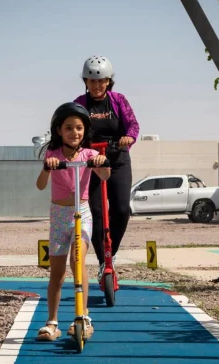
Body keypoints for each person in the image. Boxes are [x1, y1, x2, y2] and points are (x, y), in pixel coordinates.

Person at [35, 102, 110, 341]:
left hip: (82, 214)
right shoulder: (53, 155)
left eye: (79, 128)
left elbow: (106, 175)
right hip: (59, 216)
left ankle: (83, 316)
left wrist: (101, 163)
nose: (74, 132)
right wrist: (48, 168)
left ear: (84, 130)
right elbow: (40, 185)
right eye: (68, 128)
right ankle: (52, 322)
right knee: (56, 273)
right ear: (59, 130)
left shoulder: (90, 155)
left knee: (78, 262)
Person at [74, 55, 140, 282]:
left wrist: (128, 138)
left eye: (101, 80)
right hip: (90, 162)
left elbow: (132, 124)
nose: (96, 85)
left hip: (117, 158)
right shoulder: (79, 104)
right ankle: (104, 261)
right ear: (85, 82)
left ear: (109, 81)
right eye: (92, 81)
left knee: (121, 210)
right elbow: (71, 128)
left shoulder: (118, 100)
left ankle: (112, 253)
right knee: (96, 213)